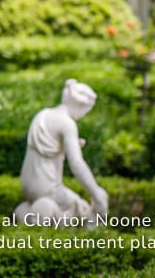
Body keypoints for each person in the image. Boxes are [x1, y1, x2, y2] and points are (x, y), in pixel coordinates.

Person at [14, 79, 109, 226]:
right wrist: (96, 193)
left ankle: (31, 214)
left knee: (73, 204)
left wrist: (66, 147)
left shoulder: (43, 114)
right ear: (80, 105)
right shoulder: (67, 124)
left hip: (29, 187)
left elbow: (47, 148)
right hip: (48, 188)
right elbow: (77, 164)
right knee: (81, 209)